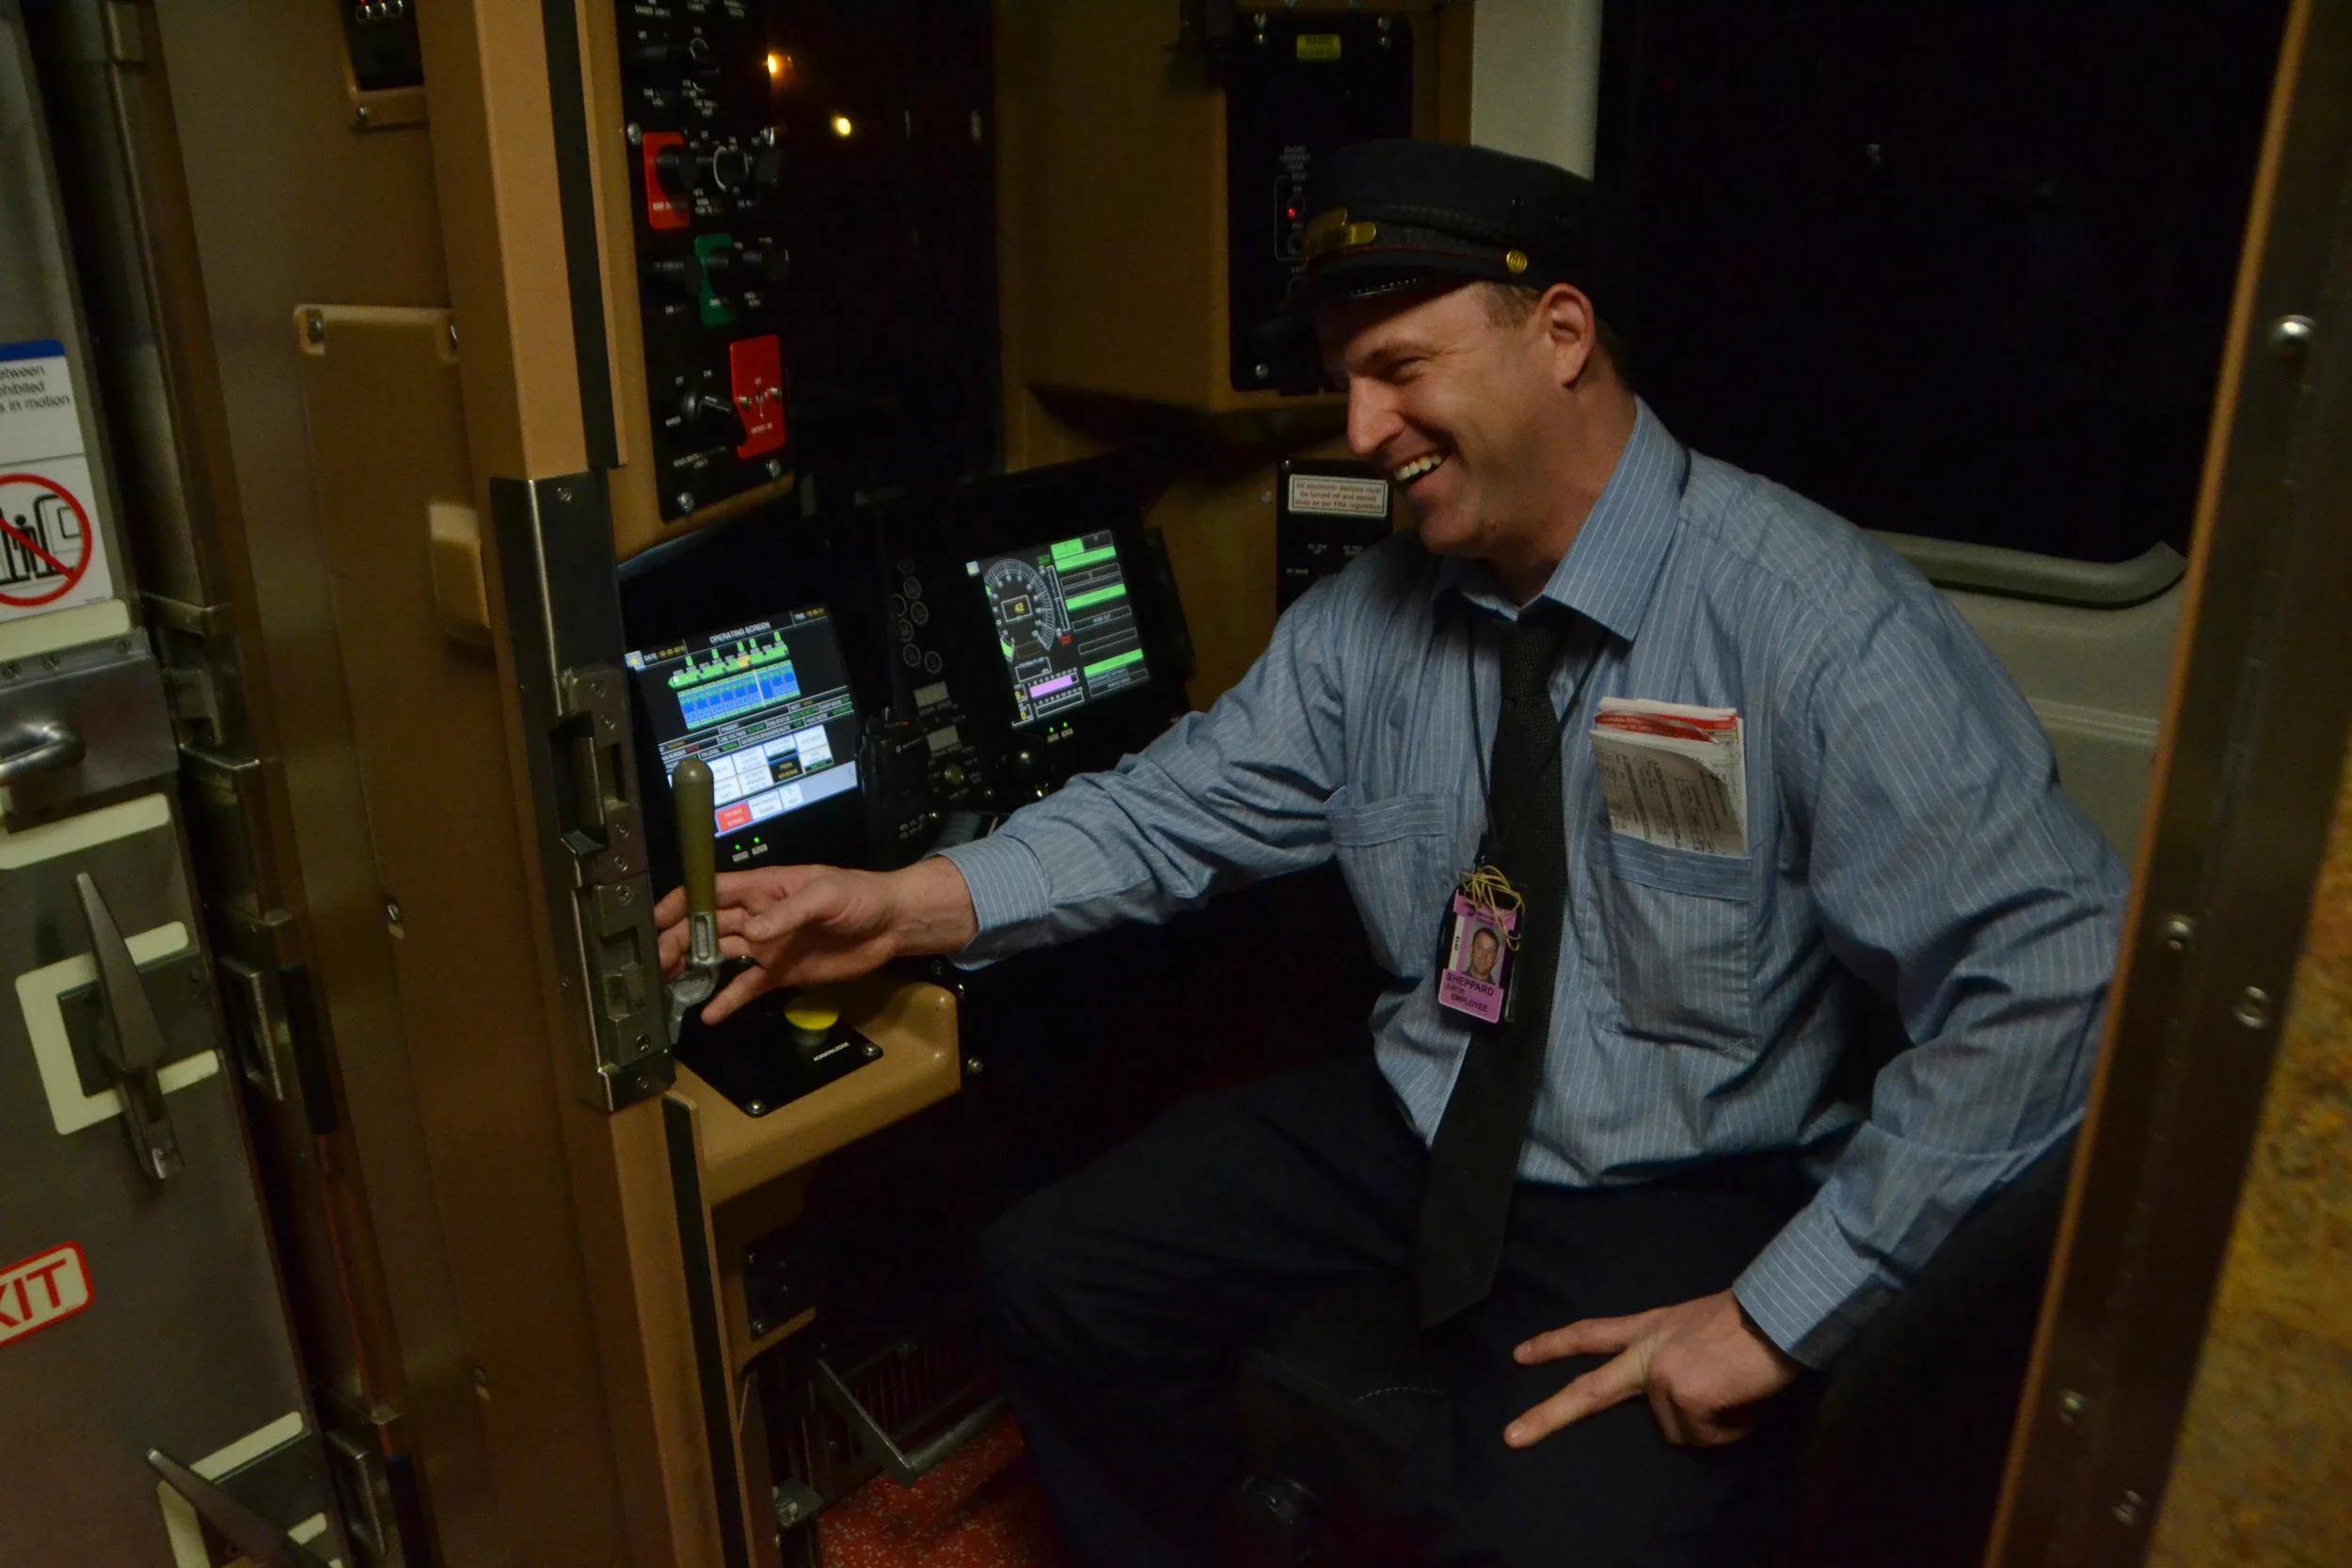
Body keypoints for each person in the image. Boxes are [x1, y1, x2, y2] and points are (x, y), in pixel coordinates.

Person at [656, 139, 2124, 1567]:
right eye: (1339, 382)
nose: (1358, 432)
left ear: (1558, 335)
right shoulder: (1375, 617)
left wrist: (1778, 1310)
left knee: (1546, 1532)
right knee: (1054, 1276)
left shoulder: (1811, 618)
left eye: (1398, 369)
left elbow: (2055, 972)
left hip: (1683, 1174)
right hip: (1425, 1108)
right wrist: (903, 904)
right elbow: (1176, 807)